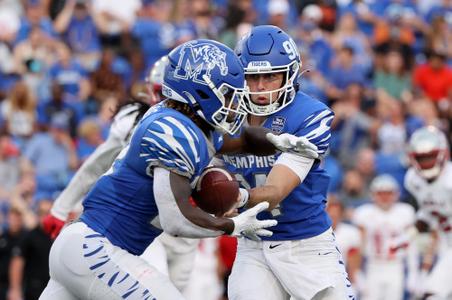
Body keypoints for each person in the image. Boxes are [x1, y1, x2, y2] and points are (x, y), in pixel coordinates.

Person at [39, 39, 312, 300]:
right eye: (228, 94)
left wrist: (278, 141)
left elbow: (243, 139)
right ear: (203, 92)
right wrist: (232, 225)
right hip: (96, 249)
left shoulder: (186, 124)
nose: (234, 104)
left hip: (82, 247)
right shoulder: (175, 133)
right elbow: (175, 218)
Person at [222, 25, 354, 300]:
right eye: (251, 77)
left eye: (270, 76)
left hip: (306, 244)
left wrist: (227, 197)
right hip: (254, 246)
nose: (260, 87)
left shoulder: (310, 115)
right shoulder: (223, 115)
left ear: (289, 74)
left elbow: (274, 193)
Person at [399, 126, 452, 299]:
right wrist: (409, 235)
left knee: (433, 293)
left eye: (431, 156)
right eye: (422, 158)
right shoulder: (413, 180)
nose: (427, 162)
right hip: (447, 242)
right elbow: (429, 212)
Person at [352, 174, 417, 300]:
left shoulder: (405, 212)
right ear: (373, 194)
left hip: (396, 266)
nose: (384, 197)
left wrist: (413, 272)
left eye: (388, 193)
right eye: (381, 193)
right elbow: (358, 245)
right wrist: (357, 272)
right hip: (373, 266)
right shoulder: (364, 213)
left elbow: (411, 244)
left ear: (396, 194)